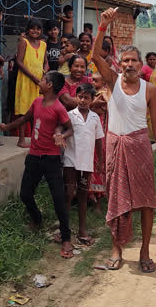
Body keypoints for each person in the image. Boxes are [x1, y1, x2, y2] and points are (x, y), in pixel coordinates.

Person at [91, 8, 156, 273]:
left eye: (134, 61)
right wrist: (102, 25)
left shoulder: (149, 89)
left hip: (140, 148)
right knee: (117, 200)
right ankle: (116, 249)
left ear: (140, 63)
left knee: (146, 201)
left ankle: (145, 251)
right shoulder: (112, 81)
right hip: (116, 146)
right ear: (120, 64)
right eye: (125, 61)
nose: (129, 65)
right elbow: (93, 56)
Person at [0, 71, 76, 259]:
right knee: (25, 193)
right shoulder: (36, 103)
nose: (39, 82)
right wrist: (6, 127)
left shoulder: (58, 108)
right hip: (33, 156)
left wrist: (61, 136)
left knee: (58, 199)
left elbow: (70, 129)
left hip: (51, 158)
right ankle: (37, 219)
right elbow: (25, 119)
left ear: (49, 86)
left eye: (42, 80)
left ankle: (66, 238)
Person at [64, 83, 105, 246]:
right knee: (68, 193)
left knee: (82, 195)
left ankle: (82, 229)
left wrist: (100, 161)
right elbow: (62, 128)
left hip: (86, 162)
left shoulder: (95, 118)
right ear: (76, 97)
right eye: (79, 97)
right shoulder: (69, 115)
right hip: (70, 160)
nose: (82, 100)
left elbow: (99, 140)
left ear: (92, 100)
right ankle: (64, 229)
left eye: (86, 98)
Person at [14, 18, 48, 148]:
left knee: (37, 110)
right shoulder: (24, 42)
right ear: (28, 29)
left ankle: (35, 138)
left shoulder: (43, 44)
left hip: (38, 82)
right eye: (33, 28)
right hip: (25, 80)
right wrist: (32, 76)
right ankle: (21, 139)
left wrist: (44, 73)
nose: (35, 31)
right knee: (24, 109)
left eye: (38, 29)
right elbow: (19, 61)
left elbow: (46, 62)